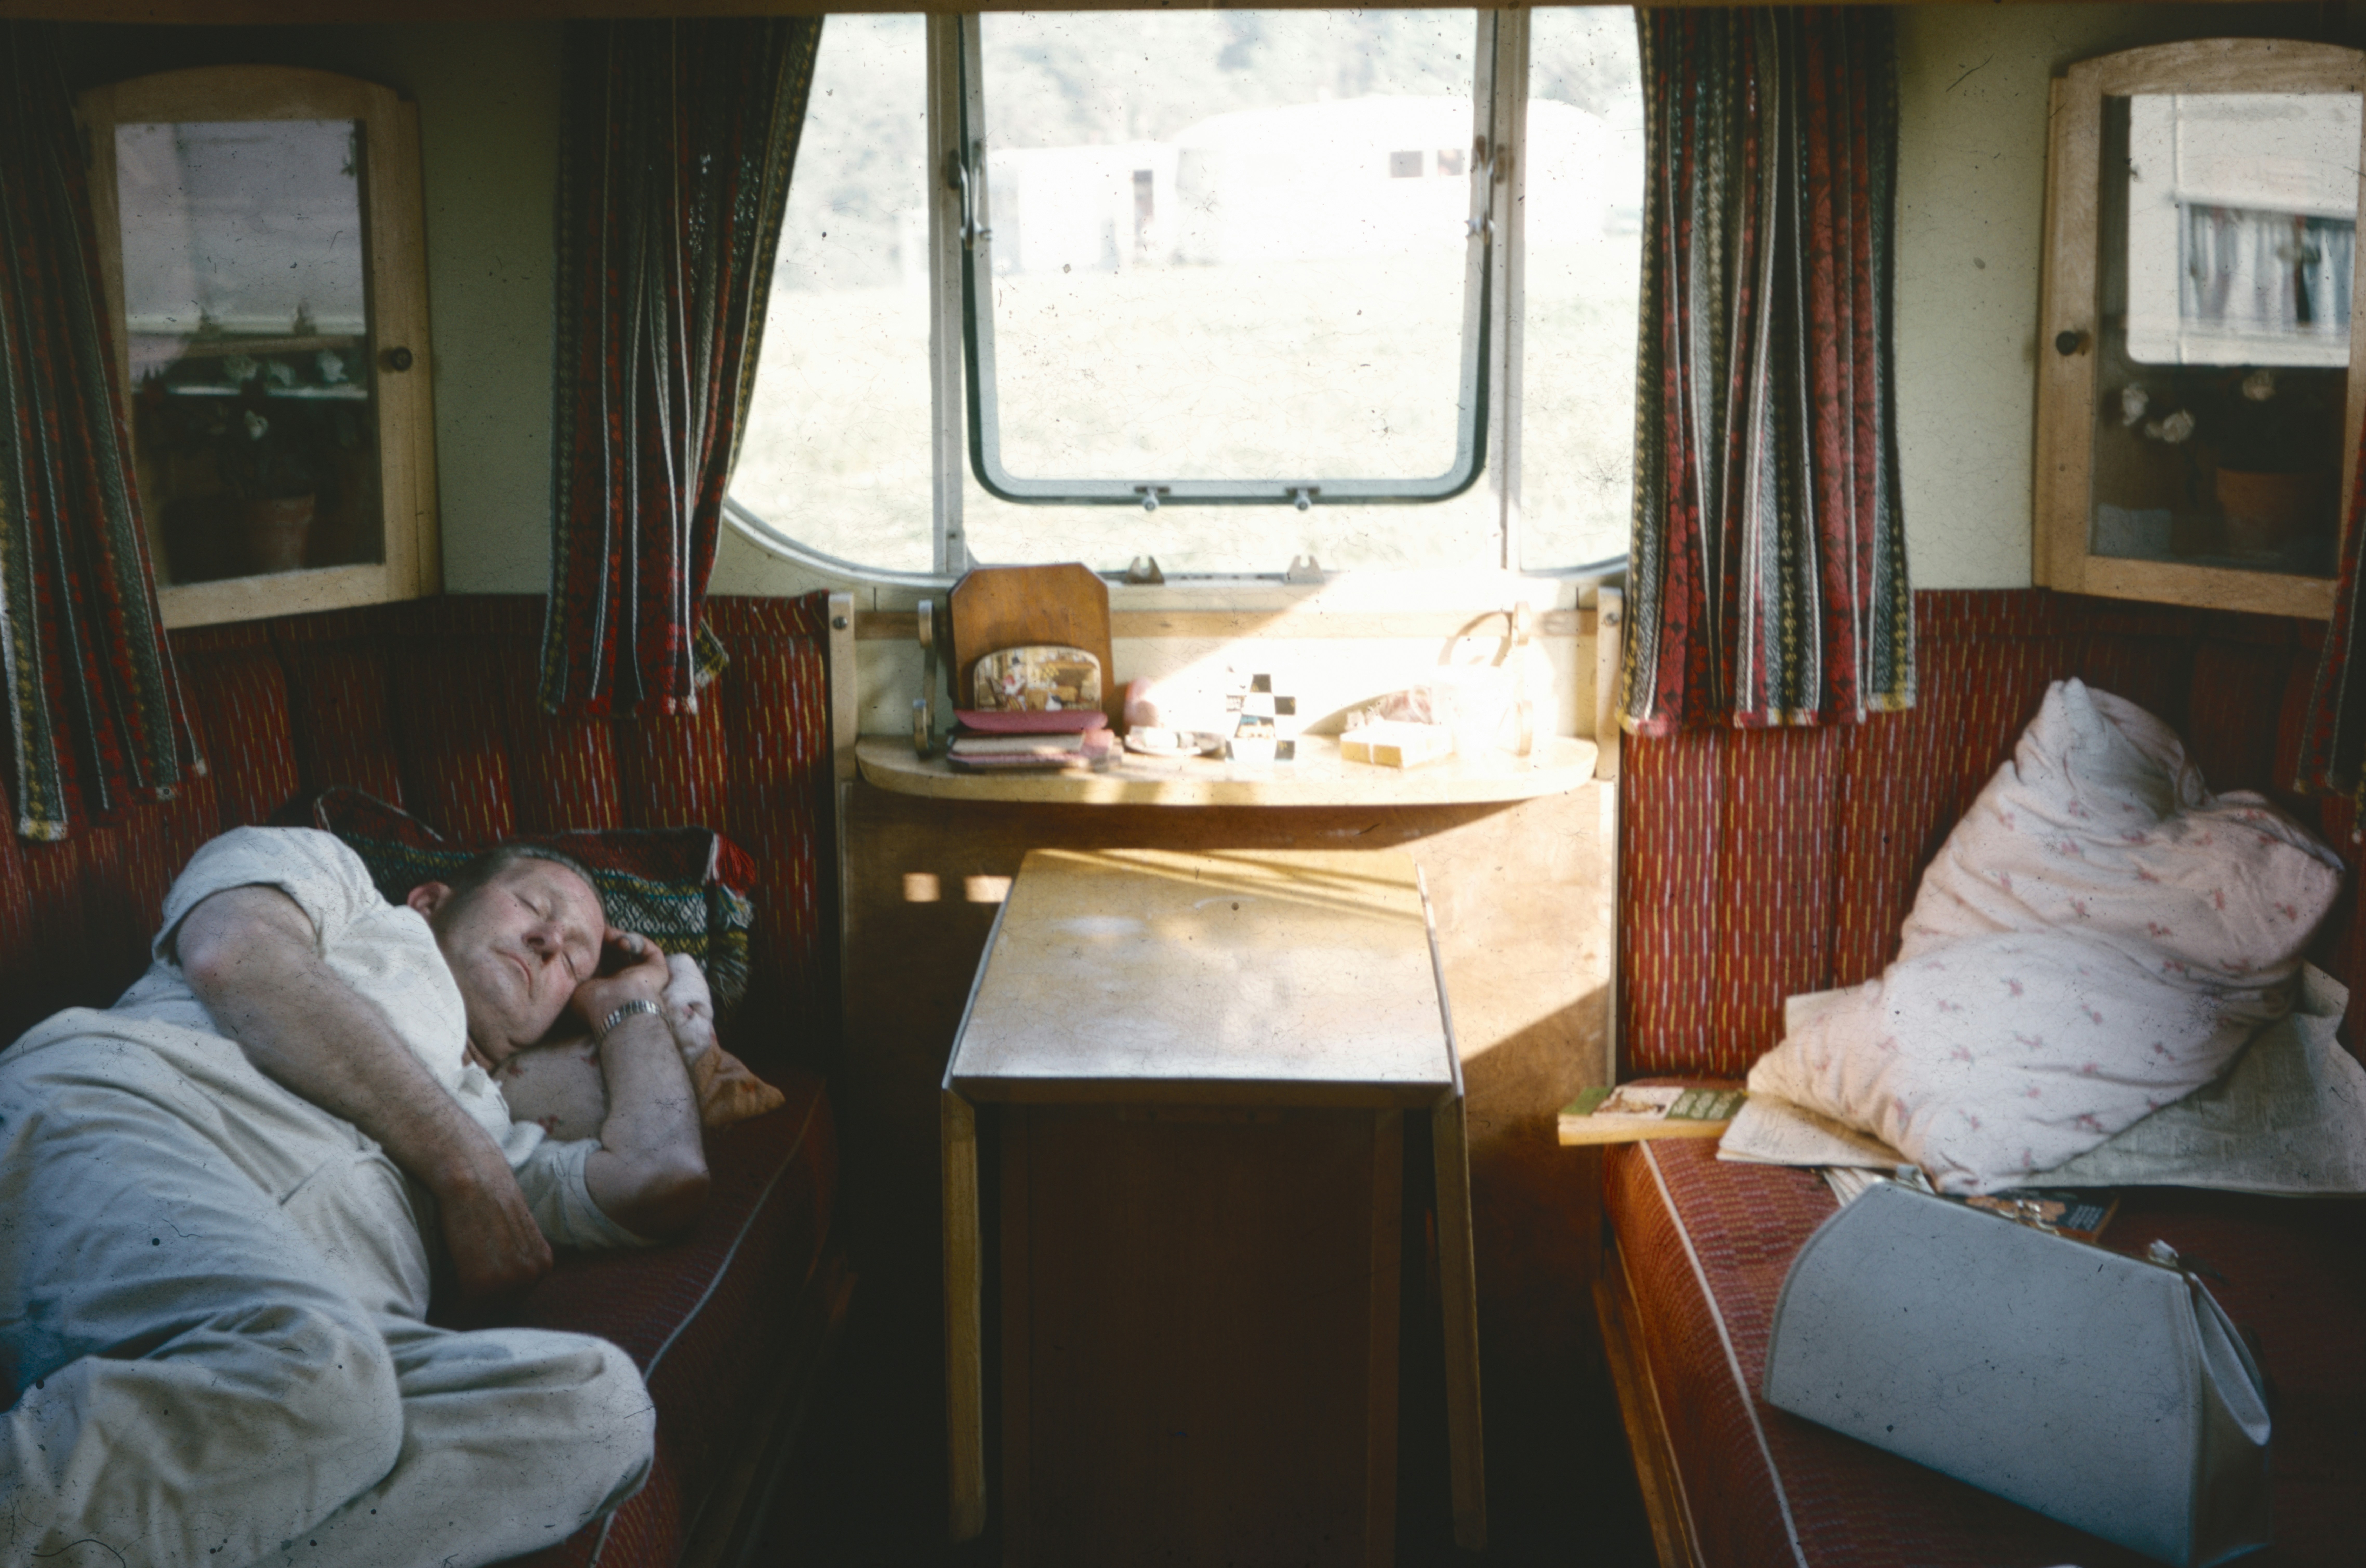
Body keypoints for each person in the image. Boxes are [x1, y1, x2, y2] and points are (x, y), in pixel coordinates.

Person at [0, 825, 712, 1568]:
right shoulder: (336, 884)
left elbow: (662, 1181)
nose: (549, 940)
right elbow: (233, 953)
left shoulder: (503, 1139)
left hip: (324, 1353)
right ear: (431, 899)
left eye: (574, 958)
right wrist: (463, 1166)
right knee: (321, 1370)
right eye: (535, 906)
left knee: (599, 1409)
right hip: (131, 1121)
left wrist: (628, 1003)